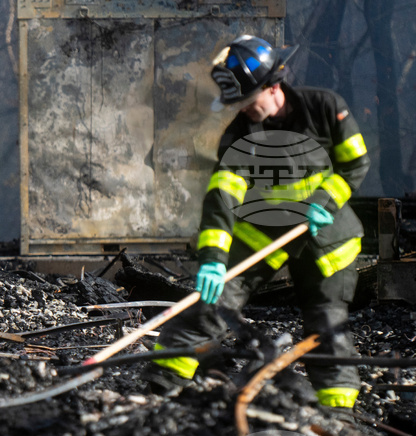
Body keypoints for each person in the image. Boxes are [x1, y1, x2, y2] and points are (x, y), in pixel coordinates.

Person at [144, 35, 370, 413]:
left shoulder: (326, 108)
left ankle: (339, 414)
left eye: (250, 102)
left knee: (326, 323)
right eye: (240, 105)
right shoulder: (239, 137)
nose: (245, 110)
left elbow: (355, 164)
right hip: (263, 231)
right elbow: (222, 198)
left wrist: (325, 201)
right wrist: (214, 258)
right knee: (212, 301)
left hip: (325, 238)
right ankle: (159, 387)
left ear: (273, 85)